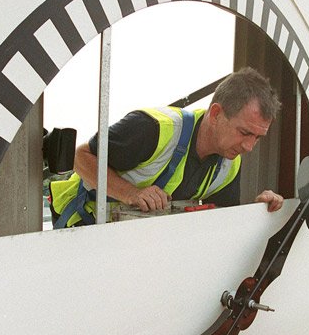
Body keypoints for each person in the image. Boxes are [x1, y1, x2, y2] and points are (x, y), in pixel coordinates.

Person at [50, 67, 285, 228]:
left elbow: (222, 222)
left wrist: (256, 212)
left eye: (257, 137)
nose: (249, 147)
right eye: (244, 132)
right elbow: (80, 157)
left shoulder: (229, 163)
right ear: (215, 114)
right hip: (82, 224)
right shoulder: (153, 129)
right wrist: (131, 193)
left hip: (134, 240)